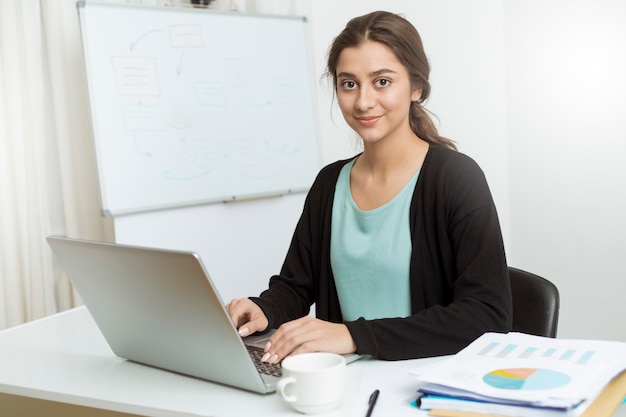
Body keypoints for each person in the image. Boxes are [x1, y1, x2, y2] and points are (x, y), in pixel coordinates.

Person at [226, 10, 511, 363]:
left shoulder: (455, 178)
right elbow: (295, 286)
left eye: (382, 82)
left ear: (416, 87)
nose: (363, 101)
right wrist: (263, 310)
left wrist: (352, 335)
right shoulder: (330, 183)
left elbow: (487, 315)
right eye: (349, 84)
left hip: (422, 383)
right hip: (345, 381)